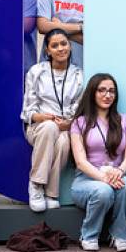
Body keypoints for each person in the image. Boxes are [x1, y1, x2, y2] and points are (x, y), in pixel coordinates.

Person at [70, 73, 126, 251]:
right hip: (86, 180)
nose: (107, 95)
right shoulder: (79, 123)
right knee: (103, 190)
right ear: (92, 92)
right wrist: (103, 178)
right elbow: (81, 162)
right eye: (102, 90)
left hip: (117, 174)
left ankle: (120, 234)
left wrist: (120, 171)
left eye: (111, 91)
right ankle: (89, 234)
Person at [21, 29, 84, 212]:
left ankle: (51, 193)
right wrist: (42, 117)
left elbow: (78, 109)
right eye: (54, 46)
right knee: (49, 127)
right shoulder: (37, 72)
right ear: (47, 50)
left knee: (65, 141)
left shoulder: (78, 75)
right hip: (39, 128)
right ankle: (36, 185)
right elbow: (28, 111)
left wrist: (68, 123)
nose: (60, 49)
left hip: (65, 129)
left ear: (70, 46)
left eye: (64, 44)